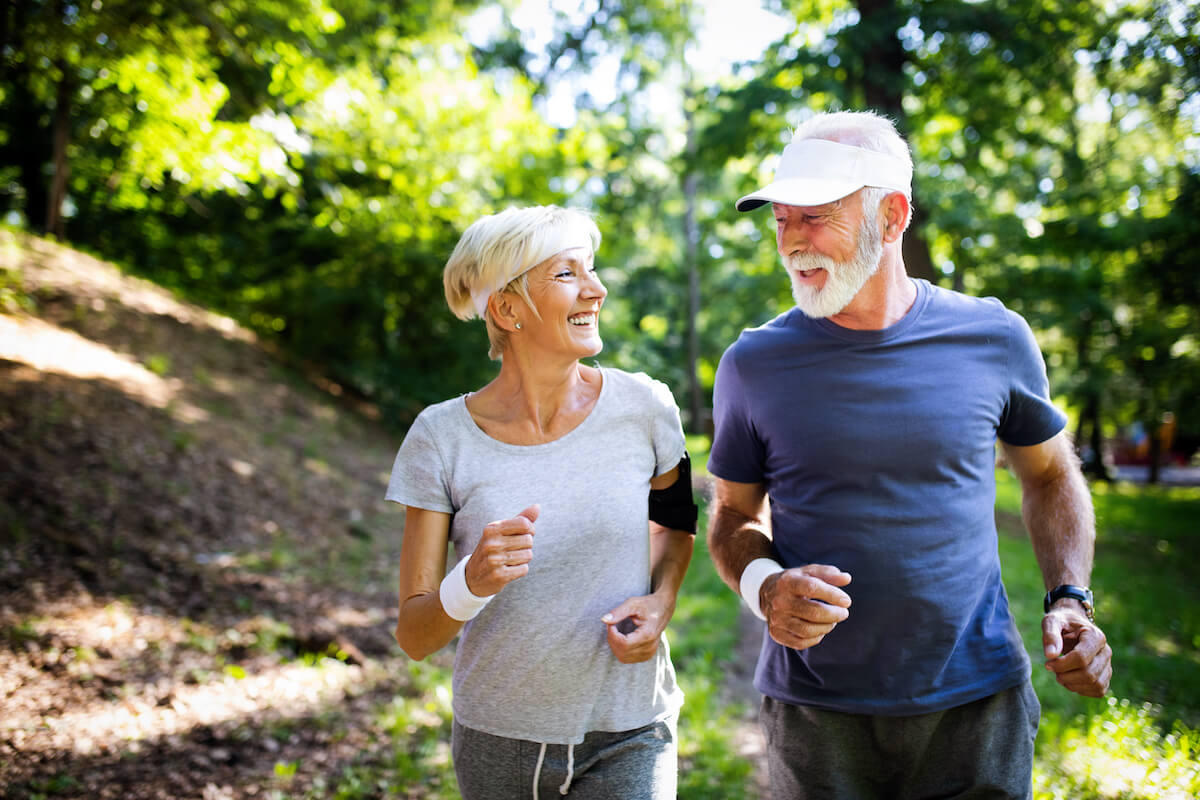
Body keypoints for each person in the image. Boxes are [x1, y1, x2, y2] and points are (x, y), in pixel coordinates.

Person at [706, 110, 1113, 799]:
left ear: (891, 216)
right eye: (781, 218)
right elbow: (730, 518)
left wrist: (1069, 595)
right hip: (817, 717)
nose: (790, 240)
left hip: (976, 706)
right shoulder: (753, 363)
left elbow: (1048, 474)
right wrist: (764, 587)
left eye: (814, 217)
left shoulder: (994, 336)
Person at [386, 205, 697, 800]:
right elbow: (415, 635)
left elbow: (675, 523)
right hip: (499, 735)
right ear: (506, 309)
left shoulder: (648, 408)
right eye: (567, 274)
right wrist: (471, 581)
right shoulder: (440, 437)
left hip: (634, 724)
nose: (597, 289)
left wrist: (663, 601)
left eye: (593, 270)